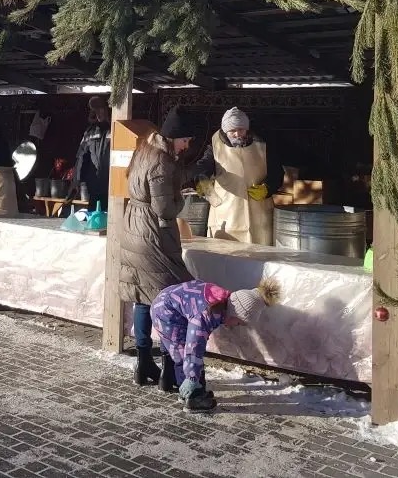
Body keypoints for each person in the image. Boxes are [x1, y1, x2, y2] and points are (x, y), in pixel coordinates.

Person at [119, 104, 201, 387]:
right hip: (153, 233)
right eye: (185, 140)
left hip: (133, 226)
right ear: (173, 136)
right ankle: (169, 370)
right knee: (169, 298)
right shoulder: (163, 162)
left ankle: (143, 364)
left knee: (143, 296)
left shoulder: (144, 150)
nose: (186, 146)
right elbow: (164, 208)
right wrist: (182, 198)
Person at [151, 276, 281, 411]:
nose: (236, 326)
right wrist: (192, 378)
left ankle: (192, 389)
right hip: (165, 313)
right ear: (235, 313)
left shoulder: (220, 301)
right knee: (184, 354)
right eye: (239, 322)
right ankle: (193, 397)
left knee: (188, 354)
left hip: (168, 302)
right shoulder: (206, 313)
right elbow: (194, 347)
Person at [192, 107, 282, 245]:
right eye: (232, 130)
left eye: (241, 129)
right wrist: (202, 183)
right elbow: (202, 168)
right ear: (225, 131)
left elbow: (277, 173)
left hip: (259, 216)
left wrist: (267, 188)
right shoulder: (214, 148)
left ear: (247, 129)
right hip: (226, 215)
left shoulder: (262, 146)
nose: (237, 134)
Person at [73, 96, 112, 211]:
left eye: (101, 109)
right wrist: (77, 179)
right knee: (93, 214)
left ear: (107, 109)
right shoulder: (90, 132)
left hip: (111, 184)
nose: (98, 113)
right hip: (94, 185)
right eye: (95, 110)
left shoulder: (116, 130)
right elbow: (81, 156)